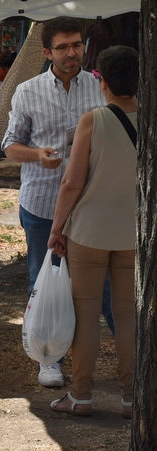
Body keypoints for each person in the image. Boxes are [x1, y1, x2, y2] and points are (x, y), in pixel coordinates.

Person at [1, 16, 106, 389]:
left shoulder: (99, 86)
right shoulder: (28, 91)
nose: (71, 53)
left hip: (91, 204)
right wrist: (36, 155)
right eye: (62, 47)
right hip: (43, 203)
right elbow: (9, 145)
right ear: (47, 52)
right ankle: (49, 359)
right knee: (45, 281)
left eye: (77, 45)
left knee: (101, 284)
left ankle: (130, 358)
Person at [47, 46, 138, 418]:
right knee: (128, 315)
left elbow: (71, 183)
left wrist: (57, 228)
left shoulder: (93, 120)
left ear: (101, 80)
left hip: (88, 230)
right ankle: (133, 397)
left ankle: (81, 395)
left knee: (85, 314)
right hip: (135, 232)